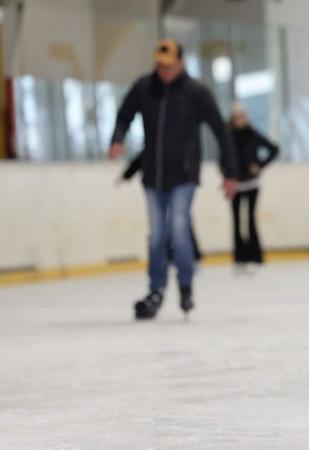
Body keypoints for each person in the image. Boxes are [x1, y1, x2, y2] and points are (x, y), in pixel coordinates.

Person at [108, 39, 238, 320]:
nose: (163, 72)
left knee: (179, 229)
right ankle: (155, 291)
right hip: (153, 176)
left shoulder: (196, 92)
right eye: (159, 66)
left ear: (181, 63)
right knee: (157, 236)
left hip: (184, 175)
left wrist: (230, 173)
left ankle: (185, 286)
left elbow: (220, 132)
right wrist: (117, 138)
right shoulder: (145, 88)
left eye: (168, 67)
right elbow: (124, 115)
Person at [117, 151, 203, 262]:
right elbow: (141, 159)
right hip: (158, 190)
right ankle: (169, 256)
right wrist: (126, 175)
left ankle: (193, 256)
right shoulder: (154, 148)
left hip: (176, 186)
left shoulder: (177, 149)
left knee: (180, 223)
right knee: (162, 227)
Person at [227, 103, 279, 271]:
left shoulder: (253, 134)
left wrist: (260, 165)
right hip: (234, 184)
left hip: (251, 183)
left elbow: (273, 149)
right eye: (238, 116)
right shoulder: (227, 136)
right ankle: (239, 257)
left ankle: (255, 256)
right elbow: (223, 157)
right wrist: (226, 174)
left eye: (243, 115)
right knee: (236, 220)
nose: (241, 119)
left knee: (250, 219)